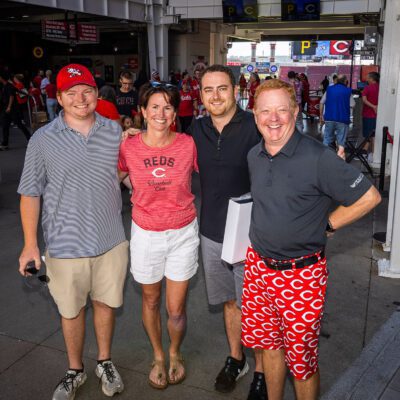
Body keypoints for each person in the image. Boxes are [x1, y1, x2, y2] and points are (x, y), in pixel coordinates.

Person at [241, 79, 381, 400]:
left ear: (295, 111)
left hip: (301, 277)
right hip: (259, 269)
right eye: (265, 111)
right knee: (270, 350)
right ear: (255, 115)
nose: (273, 118)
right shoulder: (254, 155)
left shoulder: (318, 157)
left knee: (301, 364)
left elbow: (370, 196)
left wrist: (328, 224)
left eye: (281, 110)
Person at [18, 63, 128, 400]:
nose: (81, 98)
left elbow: (122, 174)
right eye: (71, 92)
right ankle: (75, 369)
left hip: (111, 240)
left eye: (87, 90)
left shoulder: (113, 131)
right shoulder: (42, 139)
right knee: (71, 311)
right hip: (65, 245)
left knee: (106, 305)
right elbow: (30, 192)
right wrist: (30, 246)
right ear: (60, 98)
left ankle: (105, 362)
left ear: (97, 93)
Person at [188, 65, 266, 400]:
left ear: (236, 90)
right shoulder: (196, 128)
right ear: (201, 95)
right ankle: (237, 359)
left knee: (256, 305)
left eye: (222, 88)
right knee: (230, 302)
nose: (216, 96)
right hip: (212, 231)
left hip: (253, 233)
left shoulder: (256, 125)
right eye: (208, 90)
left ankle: (263, 372)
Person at [118, 83, 199, 390]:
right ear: (142, 111)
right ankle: (158, 356)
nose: (160, 114)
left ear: (176, 113)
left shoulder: (188, 145)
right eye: (153, 106)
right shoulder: (128, 146)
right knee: (151, 300)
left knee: (176, 308)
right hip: (146, 234)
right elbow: (115, 175)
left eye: (167, 107)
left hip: (182, 233)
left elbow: (221, 171)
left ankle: (176, 352)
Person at [319, 74, 355, 159]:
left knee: (327, 139)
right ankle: (340, 161)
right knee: (341, 142)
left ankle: (325, 158)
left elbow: (322, 102)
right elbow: (352, 104)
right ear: (345, 81)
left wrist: (321, 115)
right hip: (342, 119)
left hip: (329, 118)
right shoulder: (347, 91)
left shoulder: (329, 89)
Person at [0, 70, 31, 150]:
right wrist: (26, 93)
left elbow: (11, 96)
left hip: (12, 109)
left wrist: (9, 107)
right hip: (6, 109)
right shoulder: (6, 86)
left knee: (20, 125)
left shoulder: (9, 86)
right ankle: (5, 144)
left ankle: (30, 140)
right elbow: (19, 91)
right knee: (5, 126)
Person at [362, 72, 380, 159]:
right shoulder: (381, 88)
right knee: (374, 134)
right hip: (379, 116)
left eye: (368, 77)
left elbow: (364, 100)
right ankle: (372, 153)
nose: (366, 79)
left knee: (369, 135)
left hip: (368, 115)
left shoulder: (367, 88)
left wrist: (373, 107)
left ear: (372, 79)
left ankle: (367, 153)